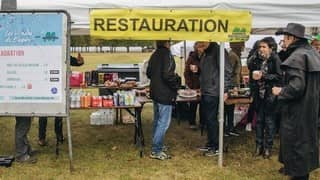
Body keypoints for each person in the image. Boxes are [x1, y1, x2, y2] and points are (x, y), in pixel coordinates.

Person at [273, 23, 320, 180]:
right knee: (304, 145)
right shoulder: (312, 53)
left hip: (297, 111)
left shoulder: (297, 56)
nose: (283, 42)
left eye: (284, 39)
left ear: (291, 38)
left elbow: (297, 87)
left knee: (296, 146)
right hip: (310, 109)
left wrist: (281, 91)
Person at [38, 53, 84, 146]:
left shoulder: (63, 53)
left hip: (60, 87)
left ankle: (59, 136)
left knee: (59, 112)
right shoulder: (42, 53)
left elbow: (76, 62)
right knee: (43, 113)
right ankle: (41, 138)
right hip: (45, 85)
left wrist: (80, 61)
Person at [147, 40, 181, 160]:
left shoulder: (154, 54)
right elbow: (167, 75)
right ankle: (156, 150)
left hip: (155, 92)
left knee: (158, 120)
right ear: (167, 43)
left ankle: (157, 145)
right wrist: (176, 84)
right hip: (164, 93)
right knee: (163, 123)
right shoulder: (167, 55)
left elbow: (148, 73)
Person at [197, 42, 232, 156]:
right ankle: (211, 143)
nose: (199, 46)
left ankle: (216, 146)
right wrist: (197, 71)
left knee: (212, 119)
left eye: (201, 43)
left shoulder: (218, 50)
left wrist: (225, 89)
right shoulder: (206, 53)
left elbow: (227, 71)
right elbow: (206, 71)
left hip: (214, 91)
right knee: (208, 119)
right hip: (206, 90)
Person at [252, 37, 282, 159]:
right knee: (259, 121)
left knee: (269, 121)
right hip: (259, 94)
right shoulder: (258, 59)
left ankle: (268, 147)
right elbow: (250, 68)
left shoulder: (275, 59)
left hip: (270, 94)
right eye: (260, 47)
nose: (261, 49)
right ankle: (258, 146)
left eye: (264, 47)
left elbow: (279, 77)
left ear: (271, 48)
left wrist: (264, 76)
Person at [224, 42, 244, 137]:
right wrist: (232, 87)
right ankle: (226, 129)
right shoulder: (232, 55)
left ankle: (230, 128)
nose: (243, 46)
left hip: (234, 84)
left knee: (231, 107)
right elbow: (229, 72)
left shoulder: (235, 55)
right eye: (242, 44)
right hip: (230, 85)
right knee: (227, 107)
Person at [184, 42, 204, 130]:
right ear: (196, 48)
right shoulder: (191, 58)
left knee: (203, 106)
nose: (200, 49)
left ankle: (203, 122)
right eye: (199, 47)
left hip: (204, 86)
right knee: (193, 105)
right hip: (194, 86)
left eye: (201, 47)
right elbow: (186, 73)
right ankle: (192, 122)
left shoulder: (206, 57)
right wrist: (191, 85)